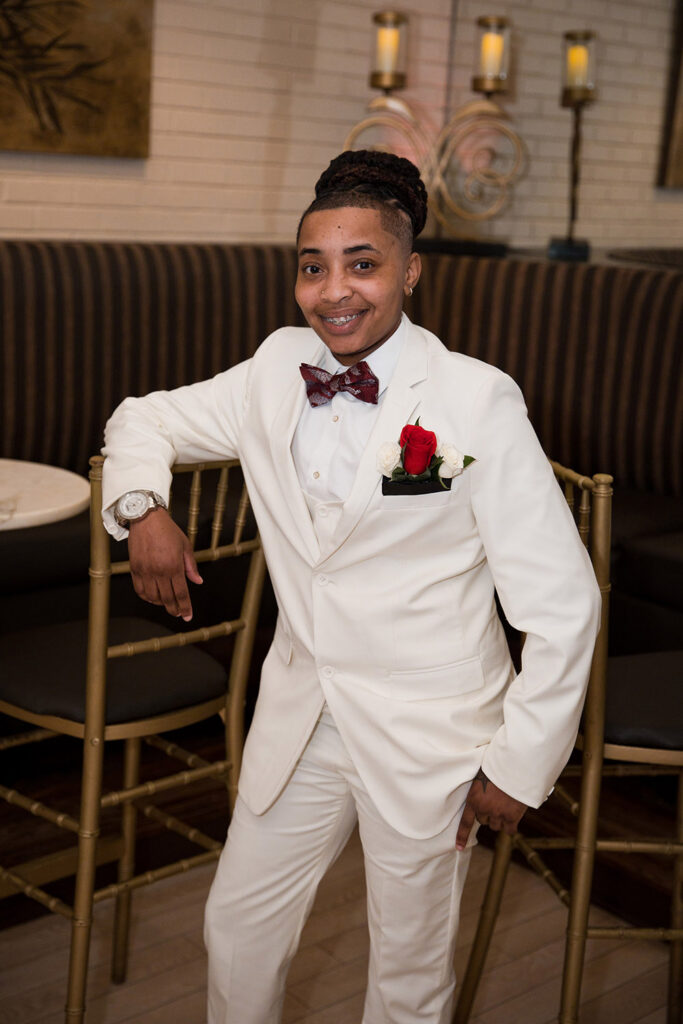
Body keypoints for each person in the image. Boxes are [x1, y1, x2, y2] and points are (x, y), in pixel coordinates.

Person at [102, 150, 601, 1024]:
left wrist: (520, 764)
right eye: (313, 266)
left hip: (431, 737)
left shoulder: (477, 401)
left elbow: (562, 603)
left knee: (405, 976)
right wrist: (144, 507)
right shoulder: (273, 368)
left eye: (361, 264)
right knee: (237, 928)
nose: (334, 290)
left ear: (410, 270)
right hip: (303, 715)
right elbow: (142, 415)